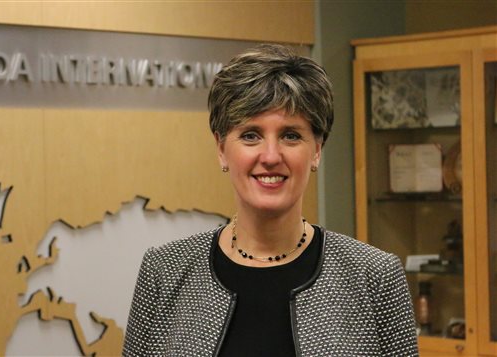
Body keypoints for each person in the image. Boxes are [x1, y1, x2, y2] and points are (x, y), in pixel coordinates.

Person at [123, 44, 418, 356]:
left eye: (291, 135)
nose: (271, 156)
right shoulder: (164, 271)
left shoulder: (375, 276)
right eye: (251, 135)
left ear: (317, 149)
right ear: (221, 148)